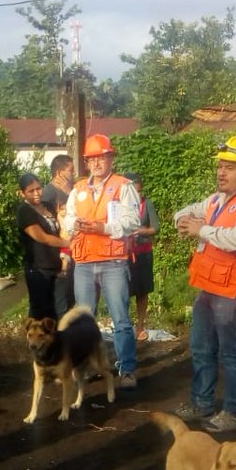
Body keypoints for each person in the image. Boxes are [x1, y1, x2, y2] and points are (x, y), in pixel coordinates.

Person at [171, 136, 236, 433]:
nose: (221, 172)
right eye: (221, 166)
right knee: (201, 347)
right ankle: (202, 403)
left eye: (229, 167)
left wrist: (201, 229)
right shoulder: (216, 200)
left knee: (233, 353)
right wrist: (184, 221)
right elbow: (185, 212)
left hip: (235, 292)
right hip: (210, 288)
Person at [61, 134, 141, 389]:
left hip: (113, 262)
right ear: (87, 162)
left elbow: (132, 222)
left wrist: (102, 227)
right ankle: (83, 369)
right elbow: (68, 220)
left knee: (121, 319)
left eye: (101, 157)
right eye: (92, 159)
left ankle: (126, 369)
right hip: (84, 262)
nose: (96, 163)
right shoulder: (78, 189)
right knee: (83, 322)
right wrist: (76, 224)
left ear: (110, 158)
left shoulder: (123, 186)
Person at [17, 172, 68, 321]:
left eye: (38, 188)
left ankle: (58, 342)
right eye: (30, 191)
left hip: (57, 266)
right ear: (22, 193)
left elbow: (66, 216)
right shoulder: (24, 211)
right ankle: (37, 343)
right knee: (41, 312)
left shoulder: (49, 206)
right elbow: (42, 238)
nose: (36, 193)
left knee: (58, 310)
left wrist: (67, 191)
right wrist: (68, 243)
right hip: (39, 270)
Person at [125, 172, 159, 341]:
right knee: (124, 291)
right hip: (124, 253)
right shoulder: (119, 205)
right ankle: (124, 326)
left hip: (143, 252)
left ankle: (139, 326)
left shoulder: (148, 204)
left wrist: (141, 231)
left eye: (139, 191)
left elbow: (155, 228)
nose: (137, 195)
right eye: (134, 191)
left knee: (142, 291)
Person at [44, 154, 77, 317]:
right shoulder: (48, 195)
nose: (73, 174)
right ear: (59, 173)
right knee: (61, 303)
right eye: (70, 170)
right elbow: (48, 228)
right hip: (60, 256)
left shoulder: (72, 191)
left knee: (73, 300)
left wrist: (70, 193)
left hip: (74, 252)